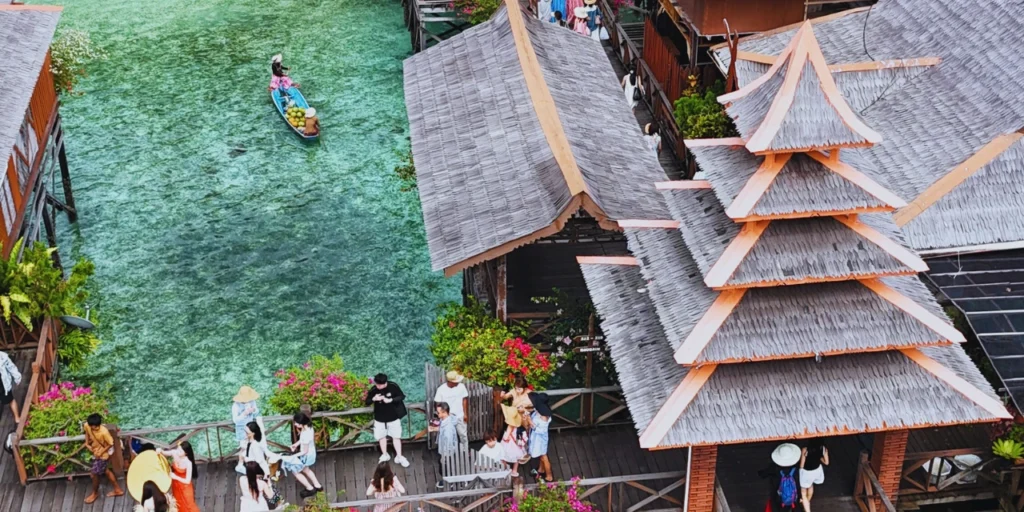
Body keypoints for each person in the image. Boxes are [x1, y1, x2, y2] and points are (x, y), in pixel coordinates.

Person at [364, 373, 409, 467]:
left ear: (385, 383)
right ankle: (384, 454)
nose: (378, 386)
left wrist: (390, 400)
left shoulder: (393, 386)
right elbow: (367, 402)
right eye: (377, 384)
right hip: (379, 418)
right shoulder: (374, 389)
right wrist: (374, 398)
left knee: (396, 437)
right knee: (381, 437)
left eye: (380, 385)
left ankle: (399, 456)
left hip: (394, 417)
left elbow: (402, 396)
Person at [84, 413, 125, 503]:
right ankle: (118, 489)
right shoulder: (87, 425)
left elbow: (111, 443)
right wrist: (87, 443)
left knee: (94, 474)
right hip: (96, 451)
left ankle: (95, 493)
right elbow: (87, 431)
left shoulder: (104, 432)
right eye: (94, 427)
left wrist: (101, 452)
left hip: (103, 455)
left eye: (97, 427)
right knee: (106, 470)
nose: (95, 429)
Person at [282, 412, 323, 499]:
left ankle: (310, 488)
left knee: (296, 472)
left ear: (301, 423)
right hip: (311, 454)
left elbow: (304, 451)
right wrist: (296, 445)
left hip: (306, 456)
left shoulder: (306, 434)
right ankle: (318, 485)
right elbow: (302, 440)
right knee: (306, 470)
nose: (295, 424)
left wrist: (293, 456)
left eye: (296, 423)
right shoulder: (309, 428)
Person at [758, 442, 801, 511]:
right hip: (794, 496)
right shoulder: (797, 468)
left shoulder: (775, 468)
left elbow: (762, 474)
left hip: (779, 498)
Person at [159, 442, 198, 512]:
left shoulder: (188, 463)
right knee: (178, 502)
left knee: (189, 504)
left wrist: (175, 477)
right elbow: (163, 453)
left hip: (185, 485)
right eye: (178, 449)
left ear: (185, 453)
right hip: (176, 484)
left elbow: (187, 480)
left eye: (180, 451)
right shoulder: (174, 453)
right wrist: (160, 450)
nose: (177, 451)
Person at [434, 371, 469, 447]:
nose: (457, 383)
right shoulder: (441, 389)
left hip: (460, 415)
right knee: (447, 435)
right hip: (447, 418)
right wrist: (442, 416)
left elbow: (464, 400)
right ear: (450, 381)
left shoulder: (461, 386)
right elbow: (438, 404)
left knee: (463, 435)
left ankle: (465, 450)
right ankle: (448, 451)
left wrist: (465, 414)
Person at [431, 401, 460, 489]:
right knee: (444, 465)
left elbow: (449, 442)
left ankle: (448, 481)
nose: (437, 413)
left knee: (444, 467)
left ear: (444, 412)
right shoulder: (446, 420)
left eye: (438, 412)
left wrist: (445, 455)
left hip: (446, 451)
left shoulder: (448, 429)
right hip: (444, 449)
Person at [527, 393, 552, 482]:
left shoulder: (544, 417)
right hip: (536, 438)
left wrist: (530, 422)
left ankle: (549, 475)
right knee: (541, 455)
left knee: (543, 456)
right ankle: (541, 469)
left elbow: (541, 430)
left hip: (540, 439)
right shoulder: (540, 410)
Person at [799, 440, 829, 512]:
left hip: (806, 472)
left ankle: (807, 508)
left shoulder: (805, 449)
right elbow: (826, 462)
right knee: (811, 485)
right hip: (817, 471)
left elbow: (802, 465)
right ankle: (806, 503)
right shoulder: (823, 448)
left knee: (803, 492)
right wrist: (819, 458)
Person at [232, 386, 263, 452]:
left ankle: (251, 460)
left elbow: (256, 412)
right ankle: (241, 462)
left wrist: (253, 410)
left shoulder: (252, 401)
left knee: (253, 445)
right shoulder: (236, 405)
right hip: (241, 428)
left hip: (251, 427)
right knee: (244, 447)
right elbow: (235, 420)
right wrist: (244, 414)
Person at [500, 405, 528, 477]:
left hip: (509, 444)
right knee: (517, 458)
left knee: (504, 457)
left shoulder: (510, 426)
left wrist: (505, 437)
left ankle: (505, 469)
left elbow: (506, 438)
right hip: (517, 443)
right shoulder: (519, 425)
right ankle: (514, 471)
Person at [0, 350, 21, 420]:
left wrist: (17, 377)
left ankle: (17, 417)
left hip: (3, 383)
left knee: (11, 399)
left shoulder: (2, 356)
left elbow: (11, 367)